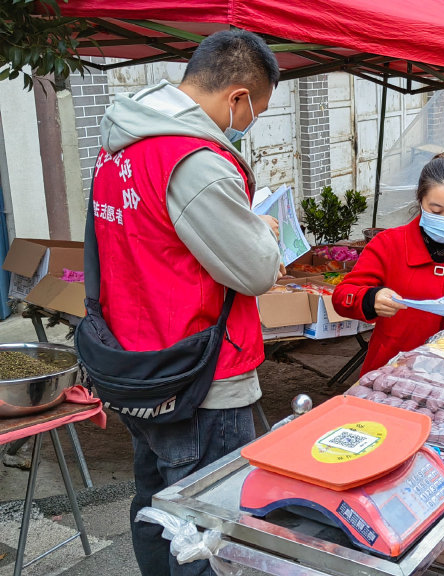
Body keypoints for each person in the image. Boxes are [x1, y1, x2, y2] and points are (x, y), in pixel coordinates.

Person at [92, 30, 284, 576]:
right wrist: (262, 231)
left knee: (157, 505)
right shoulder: (194, 161)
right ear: (238, 97)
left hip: (138, 362)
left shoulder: (121, 147)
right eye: (256, 111)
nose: (248, 124)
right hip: (199, 375)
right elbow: (255, 271)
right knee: (208, 529)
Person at [333, 155, 444, 373]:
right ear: (420, 200)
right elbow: (342, 296)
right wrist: (370, 299)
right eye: (436, 211)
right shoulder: (388, 244)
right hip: (389, 372)